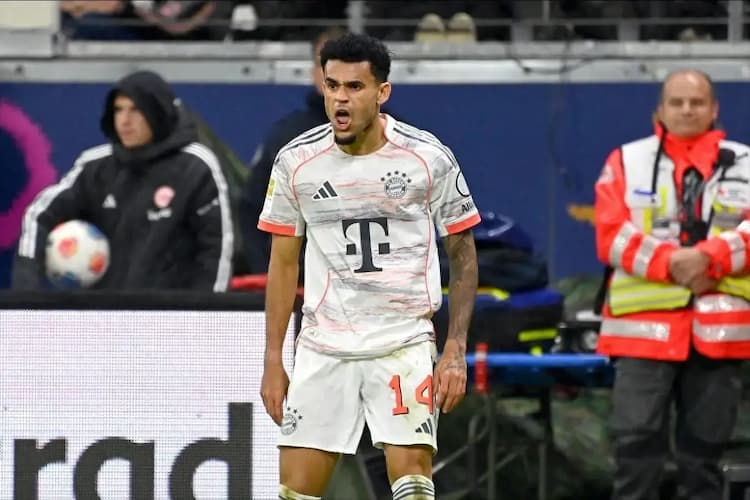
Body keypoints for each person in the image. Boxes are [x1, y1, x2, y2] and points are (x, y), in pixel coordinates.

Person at [258, 33, 480, 500]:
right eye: (332, 85)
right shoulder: (296, 162)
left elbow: (462, 253)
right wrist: (274, 360)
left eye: (354, 87)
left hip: (403, 343)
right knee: (294, 492)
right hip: (324, 346)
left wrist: (455, 348)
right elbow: (283, 263)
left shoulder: (427, 158)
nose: (340, 98)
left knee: (412, 485)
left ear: (382, 92)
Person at [595, 69, 750, 500]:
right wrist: (675, 264)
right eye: (677, 102)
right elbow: (611, 235)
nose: (686, 110)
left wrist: (710, 258)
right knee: (635, 456)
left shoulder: (746, 163)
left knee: (704, 462)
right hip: (642, 337)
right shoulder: (625, 161)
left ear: (714, 109)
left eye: (696, 102)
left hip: (719, 338)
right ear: (659, 111)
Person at [13, 70, 233, 291]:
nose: (125, 121)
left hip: (170, 311)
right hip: (103, 310)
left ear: (158, 112)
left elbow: (216, 249)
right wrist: (26, 289)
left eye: (136, 110)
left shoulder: (196, 167)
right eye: (118, 110)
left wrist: (205, 309)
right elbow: (39, 214)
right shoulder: (94, 166)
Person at [239, 26, 346, 274]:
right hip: (300, 284)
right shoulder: (286, 138)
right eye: (324, 65)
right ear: (313, 72)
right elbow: (252, 210)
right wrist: (267, 276)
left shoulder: (392, 137)